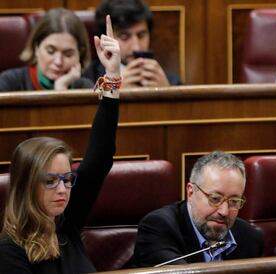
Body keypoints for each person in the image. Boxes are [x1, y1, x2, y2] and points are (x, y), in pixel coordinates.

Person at [0, 15, 121, 273]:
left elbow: (99, 158)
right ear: (26, 185)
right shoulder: (9, 251)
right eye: (50, 180)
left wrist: (112, 75)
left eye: (67, 179)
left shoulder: (66, 221)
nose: (63, 189)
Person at [133, 151, 264, 267]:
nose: (224, 211)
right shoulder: (159, 228)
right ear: (191, 193)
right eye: (215, 199)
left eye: (234, 201)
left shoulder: (250, 239)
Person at [83, 0, 181, 87]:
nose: (136, 47)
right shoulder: (88, 80)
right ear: (105, 39)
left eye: (141, 35)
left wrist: (167, 93)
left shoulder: (170, 81)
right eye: (124, 37)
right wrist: (115, 89)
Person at [0, 8, 95, 91]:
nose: (58, 62)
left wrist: (61, 88)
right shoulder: (9, 82)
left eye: (68, 54)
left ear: (80, 53)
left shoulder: (85, 88)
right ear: (36, 47)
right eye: (51, 52)